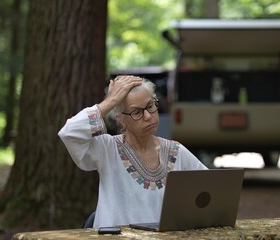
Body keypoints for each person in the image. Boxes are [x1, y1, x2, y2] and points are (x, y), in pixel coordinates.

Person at [58, 75, 207, 228]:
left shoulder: (176, 152)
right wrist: (111, 102)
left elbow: (212, 189)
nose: (148, 116)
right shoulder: (107, 149)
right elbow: (69, 133)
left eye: (150, 106)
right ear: (120, 119)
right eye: (137, 112)